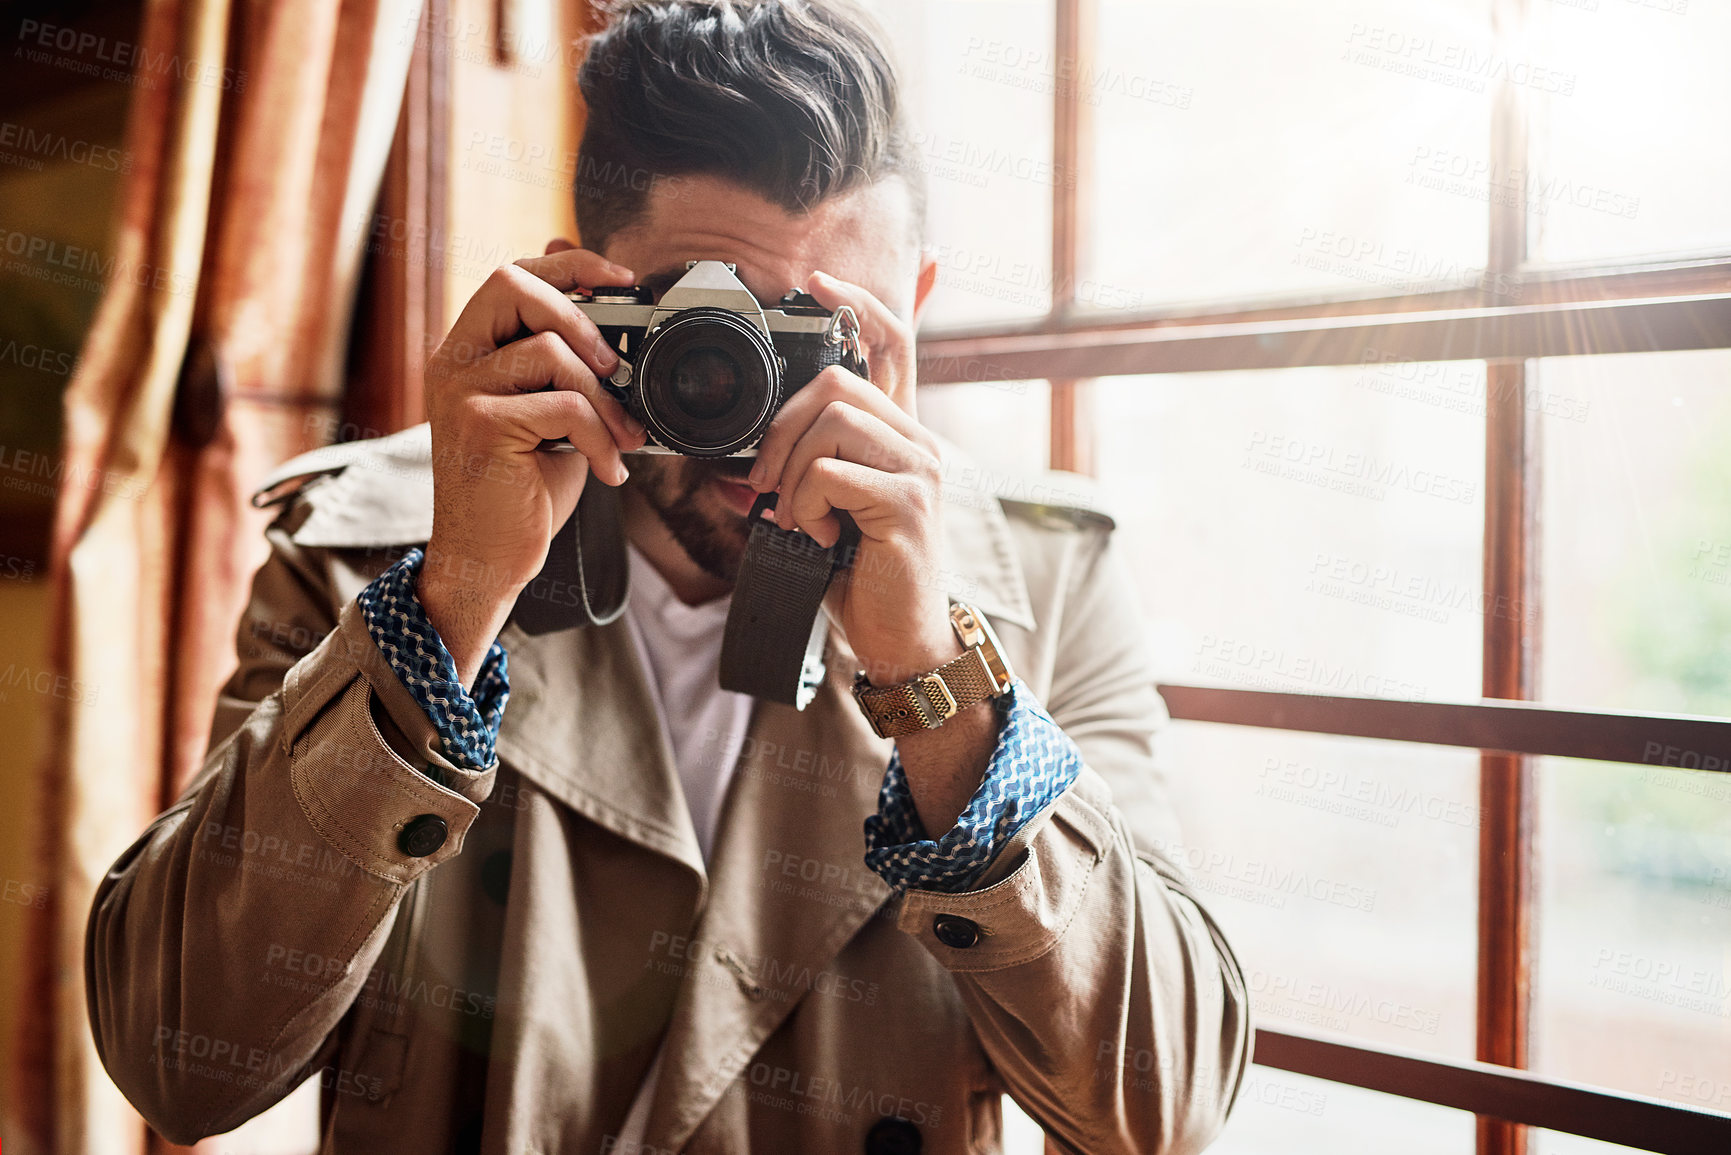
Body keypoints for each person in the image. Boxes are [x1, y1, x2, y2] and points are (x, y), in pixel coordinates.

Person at [85, 2, 1249, 1151]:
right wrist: (454, 601)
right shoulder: (369, 550)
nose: (758, 411)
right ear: (584, 292)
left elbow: (1166, 1107)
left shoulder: (1040, 584)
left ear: (913, 314)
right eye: (710, 330)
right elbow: (178, 1060)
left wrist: (931, 674)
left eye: (818, 340)